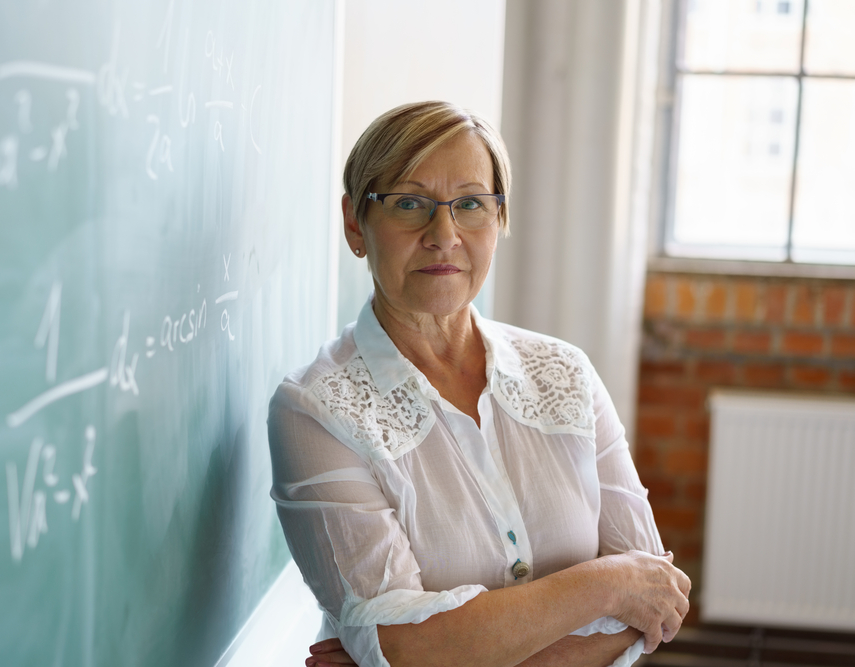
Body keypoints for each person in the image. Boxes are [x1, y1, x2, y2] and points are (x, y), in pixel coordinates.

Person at [267, 101, 690, 667]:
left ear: (500, 219)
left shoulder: (565, 373)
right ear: (355, 224)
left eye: (469, 204)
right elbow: (410, 648)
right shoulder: (315, 410)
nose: (443, 234)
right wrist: (608, 584)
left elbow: (656, 601)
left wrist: (434, 651)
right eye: (409, 204)